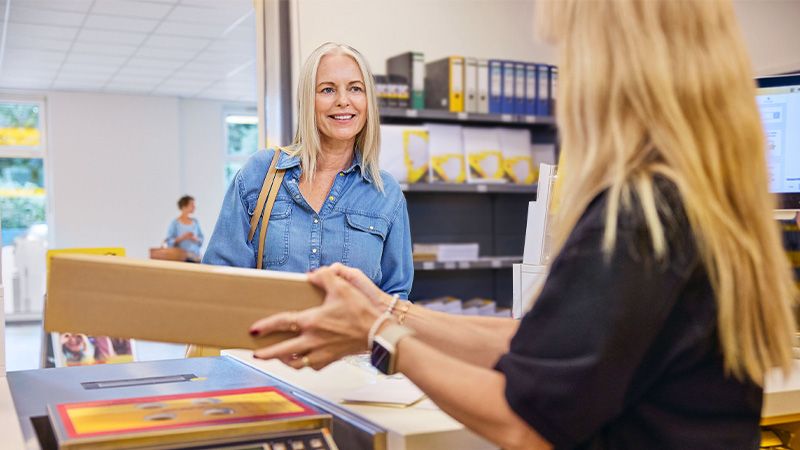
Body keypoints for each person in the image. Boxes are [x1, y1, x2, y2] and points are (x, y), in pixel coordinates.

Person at [248, 1, 799, 449]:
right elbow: (540, 346)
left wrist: (382, 335)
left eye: (570, 51)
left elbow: (528, 421)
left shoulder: (641, 219)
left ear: (617, 64)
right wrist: (390, 311)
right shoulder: (693, 198)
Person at [203, 42, 413, 298]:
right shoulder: (260, 173)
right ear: (307, 100)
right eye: (327, 90)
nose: (343, 101)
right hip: (269, 338)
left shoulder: (386, 193)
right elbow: (221, 280)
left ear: (367, 100)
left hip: (350, 340)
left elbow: (395, 296)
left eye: (355, 89)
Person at [164, 195, 203, 262]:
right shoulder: (175, 223)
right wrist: (182, 238)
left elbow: (201, 239)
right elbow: (168, 241)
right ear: (184, 206)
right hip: (180, 258)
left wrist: (195, 238)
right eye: (192, 204)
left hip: (195, 257)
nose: (194, 207)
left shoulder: (195, 222)